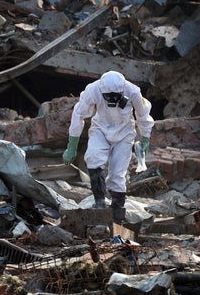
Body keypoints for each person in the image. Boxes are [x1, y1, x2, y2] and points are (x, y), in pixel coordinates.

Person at [62, 70, 154, 223]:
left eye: (115, 96)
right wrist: (71, 146)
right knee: (93, 157)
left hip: (124, 132)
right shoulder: (93, 89)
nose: (111, 99)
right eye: (108, 96)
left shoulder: (133, 91)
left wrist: (145, 137)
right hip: (100, 129)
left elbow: (143, 114)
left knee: (118, 173)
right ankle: (99, 202)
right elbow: (78, 114)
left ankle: (117, 214)